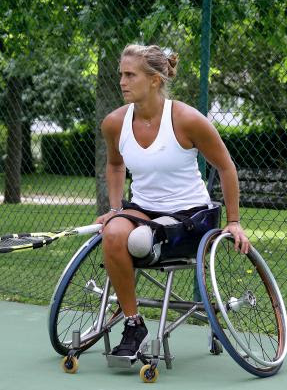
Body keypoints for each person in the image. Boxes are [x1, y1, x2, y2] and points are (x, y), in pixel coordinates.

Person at [94, 44, 251, 358]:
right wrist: (114, 210)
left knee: (139, 241)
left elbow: (226, 166)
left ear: (154, 80)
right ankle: (133, 322)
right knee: (112, 234)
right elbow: (114, 165)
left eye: (130, 75)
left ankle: (136, 280)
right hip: (143, 209)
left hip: (190, 215)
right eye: (120, 75)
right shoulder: (114, 123)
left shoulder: (186, 119)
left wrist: (233, 222)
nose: (122, 82)